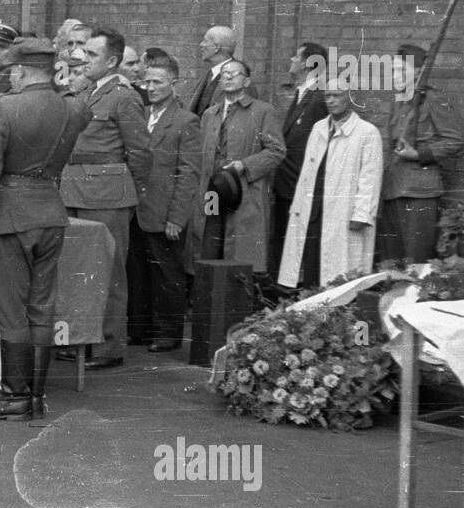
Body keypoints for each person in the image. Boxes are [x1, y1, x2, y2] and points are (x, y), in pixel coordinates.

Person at [0, 38, 91, 421]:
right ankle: (35, 397)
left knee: (9, 309)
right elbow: (76, 105)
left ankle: (14, 397)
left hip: (9, 216)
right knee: (41, 308)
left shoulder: (2, 106)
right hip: (50, 213)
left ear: (19, 71)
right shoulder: (74, 109)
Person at [58, 28, 150, 370]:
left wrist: (127, 187)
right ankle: (80, 339)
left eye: (92, 54)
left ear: (112, 60)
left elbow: (140, 152)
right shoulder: (89, 91)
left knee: (108, 273)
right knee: (77, 270)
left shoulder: (123, 96)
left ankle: (108, 346)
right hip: (74, 189)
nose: (83, 58)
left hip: (107, 195)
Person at [127, 52, 202, 352]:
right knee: (138, 272)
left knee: (167, 273)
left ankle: (168, 332)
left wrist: (177, 218)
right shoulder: (141, 116)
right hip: (136, 209)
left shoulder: (186, 121)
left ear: (174, 83)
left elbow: (189, 174)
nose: (151, 87)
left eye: (158, 82)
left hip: (164, 212)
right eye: (147, 82)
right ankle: (141, 329)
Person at [277, 82, 384, 290]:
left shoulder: (367, 133)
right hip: (312, 209)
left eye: (337, 95)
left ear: (350, 98)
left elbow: (370, 178)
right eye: (327, 96)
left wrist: (361, 214)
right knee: (310, 263)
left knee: (339, 272)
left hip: (342, 213)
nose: (331, 100)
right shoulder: (318, 128)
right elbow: (307, 173)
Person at [193, 59, 286, 276]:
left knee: (240, 247)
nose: (228, 77)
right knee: (211, 237)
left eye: (235, 73)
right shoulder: (210, 114)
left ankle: (237, 301)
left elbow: (277, 150)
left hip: (242, 191)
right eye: (224, 73)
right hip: (212, 193)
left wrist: (245, 165)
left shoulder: (263, 111)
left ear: (246, 81)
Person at [376, 43, 462, 264]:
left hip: (420, 192)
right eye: (393, 70)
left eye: (401, 70)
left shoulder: (433, 99)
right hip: (393, 189)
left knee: (417, 263)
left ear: (418, 72)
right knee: (392, 262)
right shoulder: (398, 101)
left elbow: (453, 141)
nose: (395, 76)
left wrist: (418, 154)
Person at [270, 42, 329, 273]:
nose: (292, 60)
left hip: (300, 185)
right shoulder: (302, 93)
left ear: (308, 63)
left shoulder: (319, 97)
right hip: (287, 184)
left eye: (296, 57)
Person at [186, 25, 236, 116]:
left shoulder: (239, 78)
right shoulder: (209, 75)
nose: (201, 44)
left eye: (205, 41)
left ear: (216, 47)